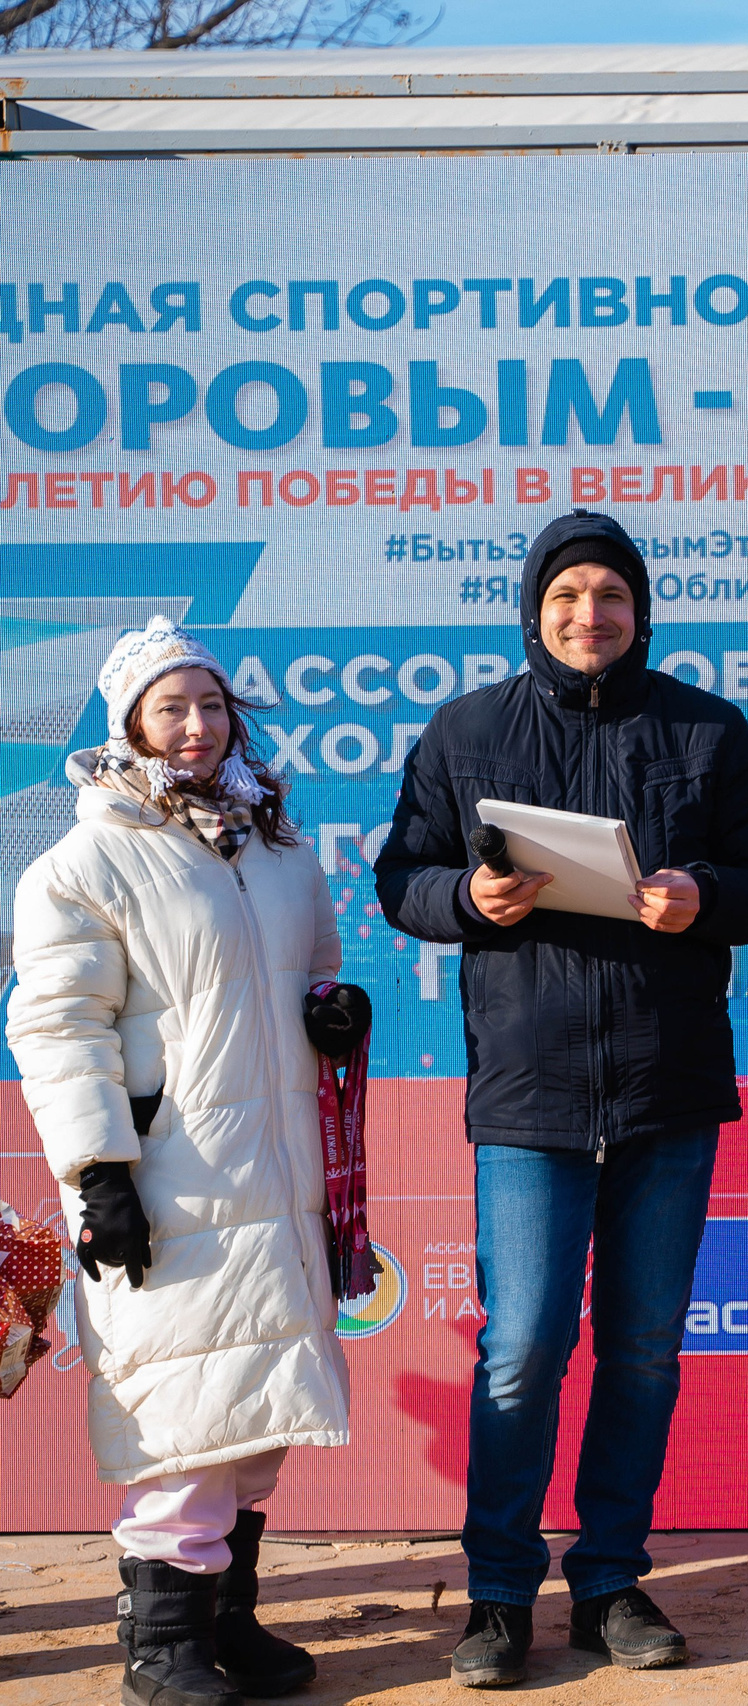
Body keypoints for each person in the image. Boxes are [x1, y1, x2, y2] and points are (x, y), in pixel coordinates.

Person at [377, 510, 748, 1686]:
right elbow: (399, 877)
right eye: (568, 596)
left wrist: (702, 893)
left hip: (667, 1088)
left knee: (646, 1349)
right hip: (530, 1093)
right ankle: (499, 1592)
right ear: (534, 608)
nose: (589, 615)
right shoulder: (466, 730)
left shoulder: (704, 728)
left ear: (640, 611)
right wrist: (468, 897)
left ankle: (611, 1574)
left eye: (610, 595)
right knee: (519, 1348)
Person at [9, 617, 354, 1706]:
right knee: (187, 1416)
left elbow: (315, 974)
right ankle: (160, 1643)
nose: (197, 726)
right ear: (129, 725)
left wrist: (334, 1015)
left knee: (258, 1413)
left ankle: (225, 1620)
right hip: (170, 1177)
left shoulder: (280, 848)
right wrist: (98, 1170)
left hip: (280, 1169)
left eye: (211, 704)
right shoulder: (84, 861)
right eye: (172, 707)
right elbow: (60, 1024)